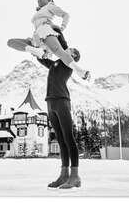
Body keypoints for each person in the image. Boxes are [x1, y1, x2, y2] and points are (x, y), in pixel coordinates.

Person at [7, 0, 90, 80]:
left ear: (48, 0)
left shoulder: (50, 6)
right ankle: (36, 50)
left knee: (59, 51)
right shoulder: (40, 11)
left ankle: (80, 71)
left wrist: (61, 28)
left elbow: (66, 15)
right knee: (10, 42)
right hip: (36, 36)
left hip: (45, 30)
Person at [35, 29, 81, 189]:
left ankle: (75, 176)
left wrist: (57, 31)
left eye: (72, 51)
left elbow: (62, 45)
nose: (69, 50)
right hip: (50, 103)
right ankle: (64, 175)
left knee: (69, 138)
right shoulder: (55, 64)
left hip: (62, 102)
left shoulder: (69, 64)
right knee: (60, 140)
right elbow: (43, 59)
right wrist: (34, 48)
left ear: (73, 57)